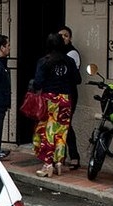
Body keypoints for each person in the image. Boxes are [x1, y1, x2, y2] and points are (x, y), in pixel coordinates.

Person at [32, 33, 81, 177]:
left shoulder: (44, 61)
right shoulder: (69, 61)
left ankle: (48, 164)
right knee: (61, 131)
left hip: (49, 98)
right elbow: (77, 79)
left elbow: (38, 83)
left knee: (47, 131)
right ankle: (59, 162)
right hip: (65, 98)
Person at [59, 26, 82, 170]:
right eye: (60, 36)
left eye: (66, 35)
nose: (63, 38)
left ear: (70, 38)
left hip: (69, 93)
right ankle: (63, 155)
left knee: (66, 124)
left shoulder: (72, 54)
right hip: (59, 93)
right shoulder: (56, 53)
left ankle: (74, 156)